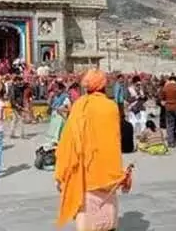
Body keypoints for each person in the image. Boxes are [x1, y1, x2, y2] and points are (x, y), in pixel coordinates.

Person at [55, 69, 133, 231]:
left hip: (85, 173)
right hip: (108, 172)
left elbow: (68, 140)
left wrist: (61, 172)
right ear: (104, 86)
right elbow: (114, 140)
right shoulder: (111, 107)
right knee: (108, 217)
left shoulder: (79, 106)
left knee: (87, 220)